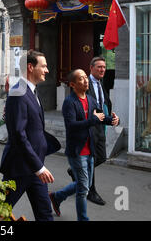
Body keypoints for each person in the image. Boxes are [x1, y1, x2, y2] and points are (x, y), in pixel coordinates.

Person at [0, 50, 61, 221]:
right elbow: (18, 134)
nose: (47, 70)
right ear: (30, 67)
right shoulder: (18, 92)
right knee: (0, 212)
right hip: (19, 168)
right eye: (44, 66)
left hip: (35, 167)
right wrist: (39, 167)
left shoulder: (31, 90)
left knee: (45, 214)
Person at [49, 69, 116, 221]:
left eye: (86, 77)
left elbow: (100, 116)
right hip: (77, 151)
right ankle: (83, 219)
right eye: (81, 79)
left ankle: (56, 197)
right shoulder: (69, 102)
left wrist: (111, 120)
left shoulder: (91, 100)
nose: (86, 81)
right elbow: (71, 125)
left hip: (90, 148)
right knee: (83, 189)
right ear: (73, 84)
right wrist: (93, 120)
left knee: (82, 184)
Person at [66, 57, 120, 205]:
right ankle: (91, 191)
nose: (102, 69)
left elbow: (103, 105)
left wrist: (113, 119)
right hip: (88, 127)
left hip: (100, 125)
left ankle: (75, 171)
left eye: (104, 67)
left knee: (101, 157)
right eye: (99, 67)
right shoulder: (84, 83)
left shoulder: (101, 83)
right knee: (91, 158)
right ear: (91, 68)